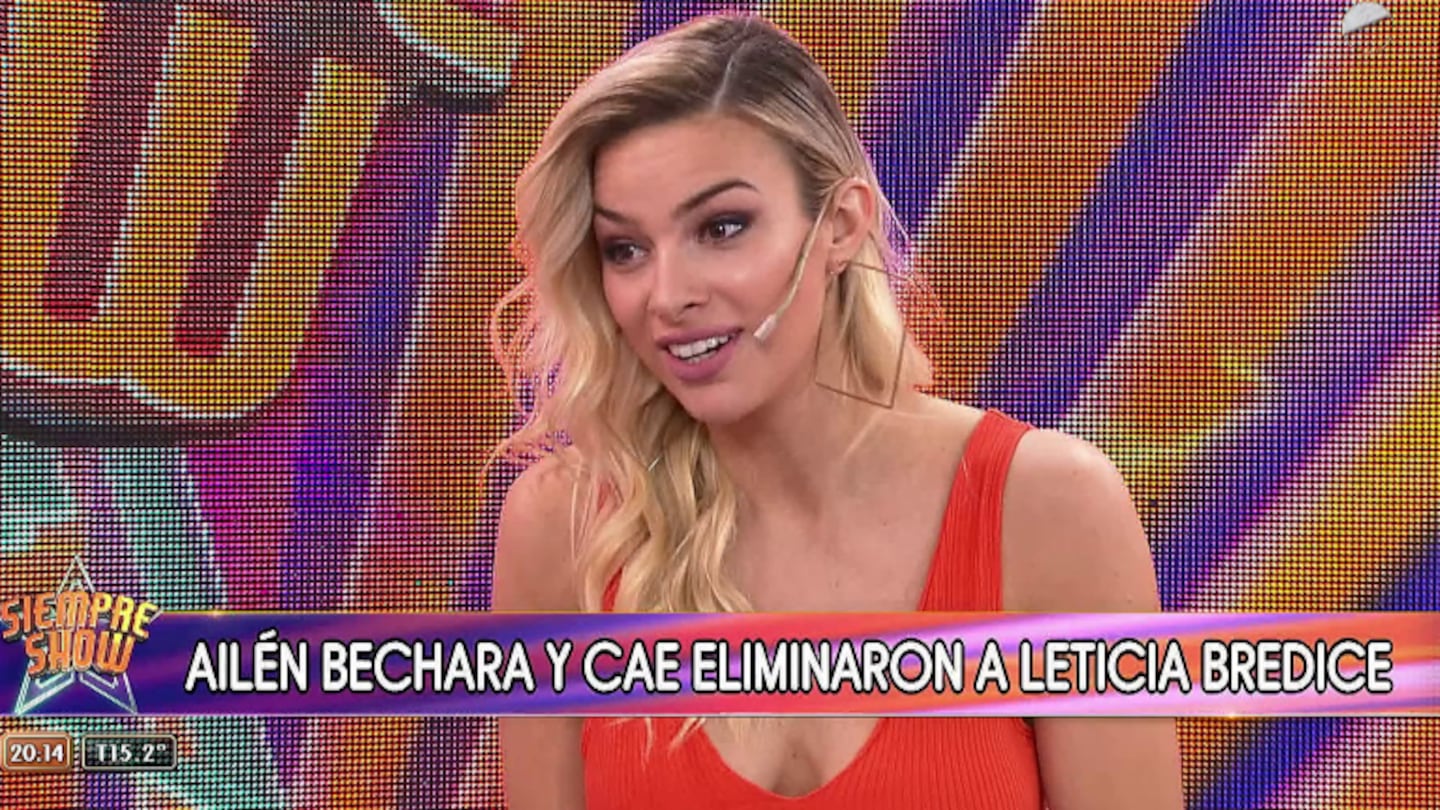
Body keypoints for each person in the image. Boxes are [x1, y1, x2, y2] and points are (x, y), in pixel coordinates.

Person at [491, 12, 1184, 810]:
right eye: (626, 249)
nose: (667, 295)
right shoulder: (566, 528)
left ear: (841, 225)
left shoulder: (1048, 506)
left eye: (722, 228)